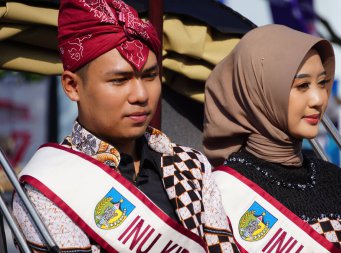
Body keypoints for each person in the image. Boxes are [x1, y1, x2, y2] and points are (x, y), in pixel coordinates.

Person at [12, 1, 239, 252]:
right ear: (72, 86)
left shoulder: (191, 165)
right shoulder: (50, 184)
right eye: (119, 80)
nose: (141, 95)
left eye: (150, 76)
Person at [203, 24, 341, 253]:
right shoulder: (222, 191)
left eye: (322, 83)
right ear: (260, 92)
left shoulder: (338, 182)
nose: (318, 99)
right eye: (302, 85)